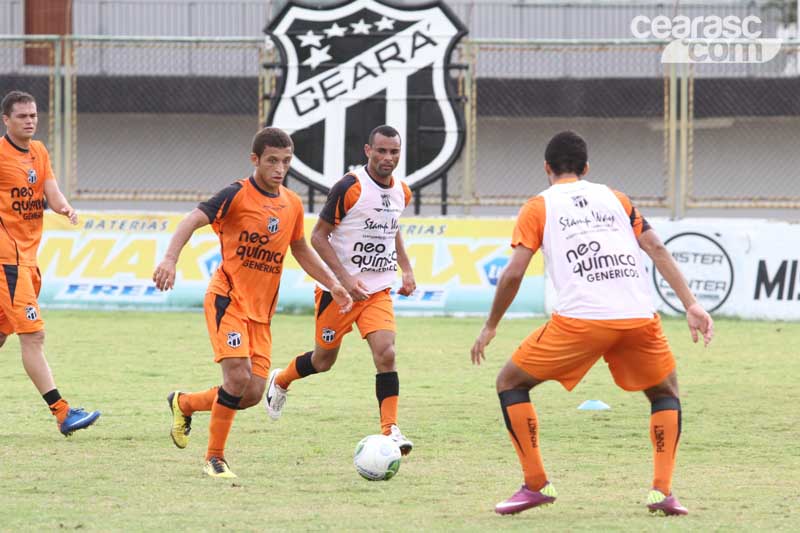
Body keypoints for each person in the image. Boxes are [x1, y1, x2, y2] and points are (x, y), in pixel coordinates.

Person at [470, 131, 714, 516]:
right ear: (586, 168)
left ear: (547, 168)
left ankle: (535, 484)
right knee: (665, 393)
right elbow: (656, 248)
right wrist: (692, 304)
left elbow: (514, 273)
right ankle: (663, 492)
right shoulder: (617, 199)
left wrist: (491, 325)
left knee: (510, 382)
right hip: (637, 319)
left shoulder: (539, 206)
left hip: (581, 322)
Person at [152, 127, 352, 478]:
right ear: (255, 159)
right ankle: (214, 459)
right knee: (237, 376)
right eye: (272, 160)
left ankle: (183, 403)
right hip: (227, 299)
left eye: (286, 161)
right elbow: (192, 220)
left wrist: (332, 283)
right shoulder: (235, 195)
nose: (279, 168)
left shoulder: (291, 203)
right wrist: (169, 258)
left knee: (251, 394)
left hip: (261, 313)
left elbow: (300, 248)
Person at [264, 125, 416, 455]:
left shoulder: (402, 192)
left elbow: (393, 230)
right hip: (339, 294)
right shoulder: (349, 187)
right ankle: (281, 379)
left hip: (377, 290)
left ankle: (390, 430)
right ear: (368, 151)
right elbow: (318, 235)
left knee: (386, 353)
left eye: (394, 152)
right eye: (381, 151)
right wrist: (345, 282)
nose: (388, 157)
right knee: (322, 361)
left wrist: (406, 268)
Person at [0, 90, 101, 436]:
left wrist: (64, 207)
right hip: (6, 262)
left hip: (27, 260)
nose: (30, 121)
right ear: (6, 120)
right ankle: (62, 412)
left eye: (33, 115)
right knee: (34, 335)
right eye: (22, 116)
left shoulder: (39, 151)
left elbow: (50, 189)